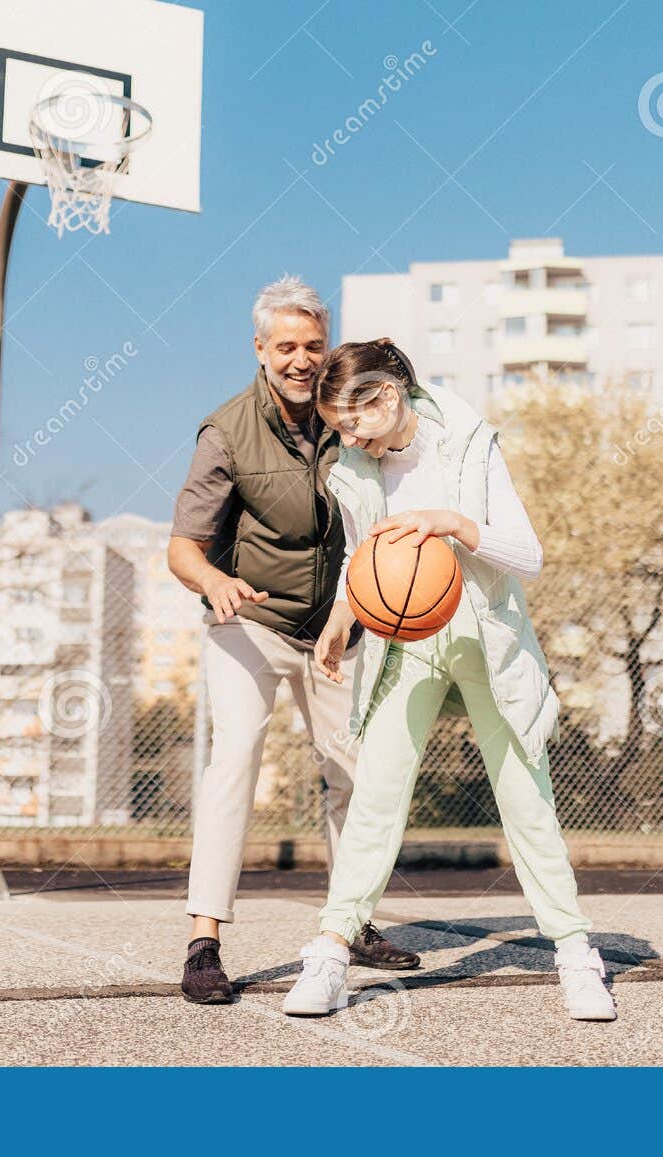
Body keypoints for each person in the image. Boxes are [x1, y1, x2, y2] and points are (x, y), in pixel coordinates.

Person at [279, 337, 616, 1022]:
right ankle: (330, 952)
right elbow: (359, 555)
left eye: (353, 420)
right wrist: (343, 615)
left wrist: (452, 523)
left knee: (527, 799)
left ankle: (578, 956)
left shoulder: (468, 442)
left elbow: (529, 555)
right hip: (408, 642)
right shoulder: (353, 466)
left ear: (388, 395)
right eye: (338, 427)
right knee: (375, 795)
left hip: (487, 633)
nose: (346, 437)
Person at [168, 278, 419, 1005]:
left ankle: (353, 920)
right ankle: (204, 941)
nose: (302, 360)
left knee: (353, 774)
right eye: (287, 347)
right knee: (235, 758)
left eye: (314, 345)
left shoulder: (351, 413)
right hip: (249, 618)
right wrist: (213, 583)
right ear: (260, 349)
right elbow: (182, 547)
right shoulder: (226, 430)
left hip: (340, 623)